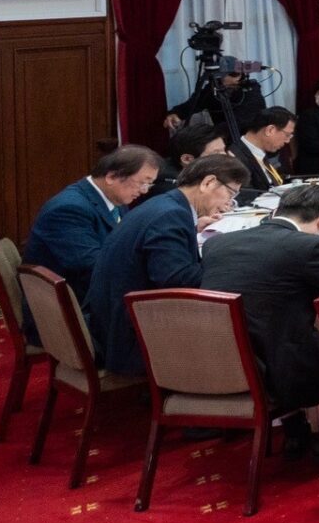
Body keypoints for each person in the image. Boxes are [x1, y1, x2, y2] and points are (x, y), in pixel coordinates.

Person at [200, 181, 319, 417]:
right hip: (281, 371)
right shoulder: (310, 247)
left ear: (276, 210)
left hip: (214, 363)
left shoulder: (216, 243)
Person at [85, 153, 244, 376]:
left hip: (114, 320)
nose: (229, 203)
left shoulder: (166, 205)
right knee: (244, 328)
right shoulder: (171, 215)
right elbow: (178, 282)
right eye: (231, 193)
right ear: (208, 182)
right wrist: (226, 260)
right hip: (130, 338)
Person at [23, 148, 162, 322]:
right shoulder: (69, 209)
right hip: (69, 311)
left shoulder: (115, 199)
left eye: (149, 184)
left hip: (96, 295)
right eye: (142, 183)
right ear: (112, 177)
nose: (144, 191)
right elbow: (93, 266)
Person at [231, 107, 299, 203]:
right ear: (270, 130)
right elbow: (246, 197)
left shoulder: (260, 152)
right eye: (287, 135)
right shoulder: (235, 156)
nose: (287, 141)